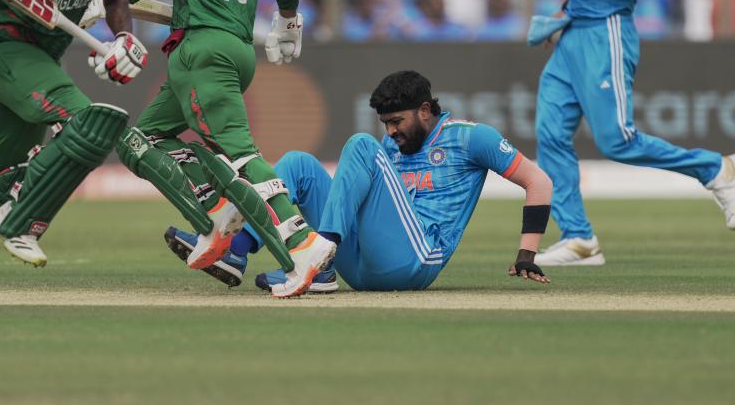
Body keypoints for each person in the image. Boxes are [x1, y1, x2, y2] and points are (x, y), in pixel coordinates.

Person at [167, 70, 553, 291]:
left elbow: (539, 182)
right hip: (364, 264)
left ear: (424, 110)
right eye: (386, 123)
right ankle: (239, 249)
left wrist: (526, 256)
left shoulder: (471, 137)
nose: (392, 131)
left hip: (416, 260)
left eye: (397, 121)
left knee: (360, 145)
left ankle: (322, 256)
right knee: (299, 163)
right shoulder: (390, 141)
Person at [115, 0, 335, 298]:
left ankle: (302, 240)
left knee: (241, 154)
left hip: (202, 49)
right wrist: (288, 22)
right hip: (237, 49)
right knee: (143, 139)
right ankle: (217, 209)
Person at [0, 0, 148, 305]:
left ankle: (6, 203)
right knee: (88, 123)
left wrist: (124, 36)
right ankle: (21, 219)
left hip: (42, 60)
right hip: (5, 49)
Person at [534, 0, 735, 266]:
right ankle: (578, 237)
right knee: (550, 133)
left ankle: (714, 169)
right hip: (574, 32)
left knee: (618, 141)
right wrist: (569, 8)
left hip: (607, 31)